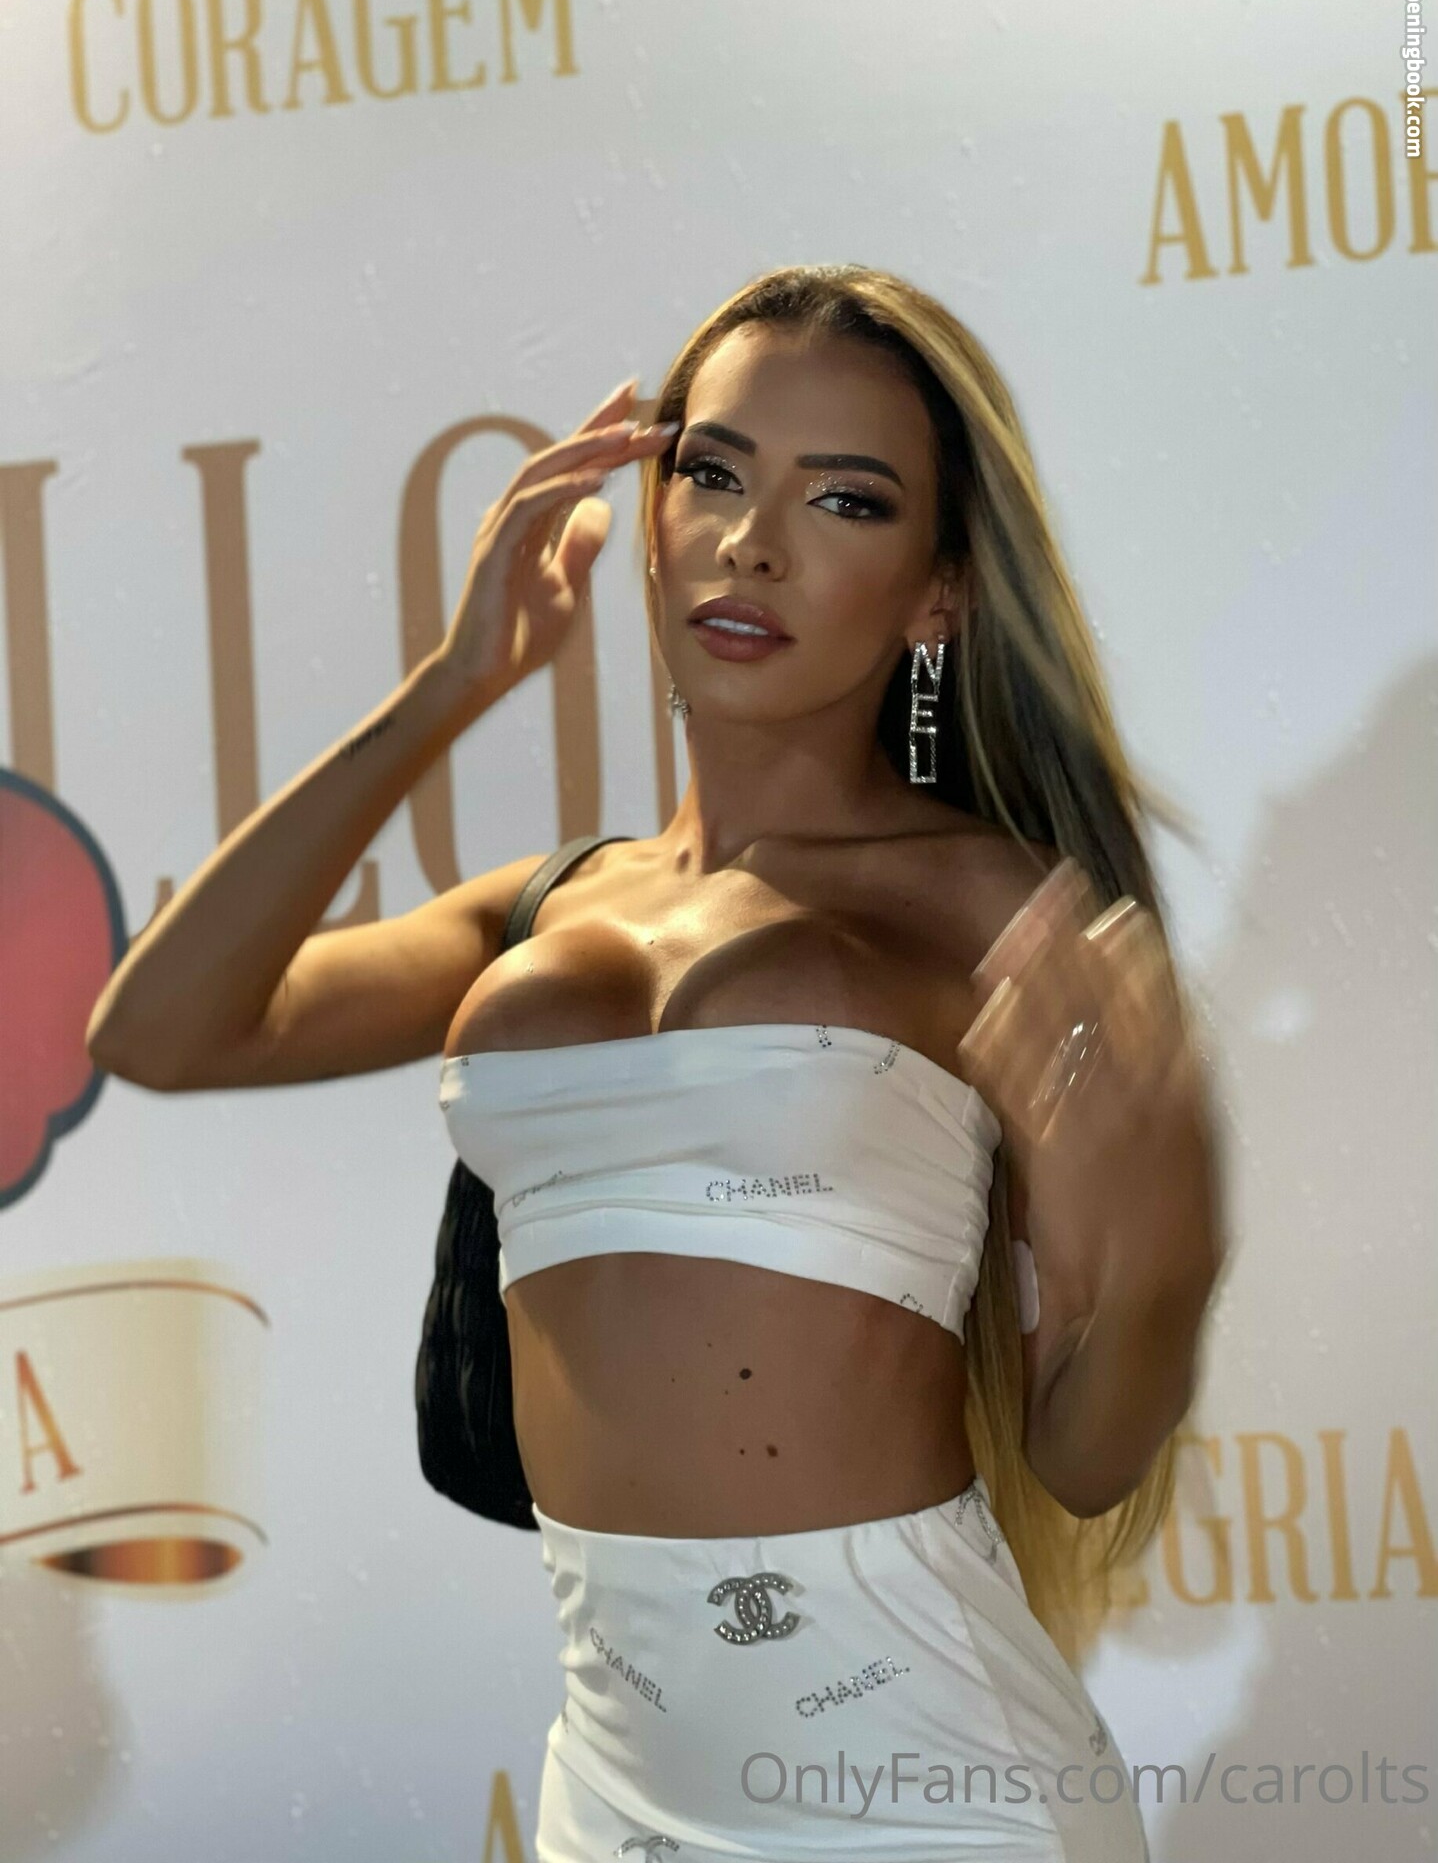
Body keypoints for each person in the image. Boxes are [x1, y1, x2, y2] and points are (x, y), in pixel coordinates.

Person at [88, 263, 1226, 1861]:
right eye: (712, 472)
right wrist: (457, 681)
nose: (753, 541)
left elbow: (1085, 1460)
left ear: (937, 595)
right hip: (612, 1789)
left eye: (843, 499)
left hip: (929, 1787)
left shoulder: (1001, 913)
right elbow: (158, 1030)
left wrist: (1166, 1252)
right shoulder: (549, 904)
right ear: (651, 511)